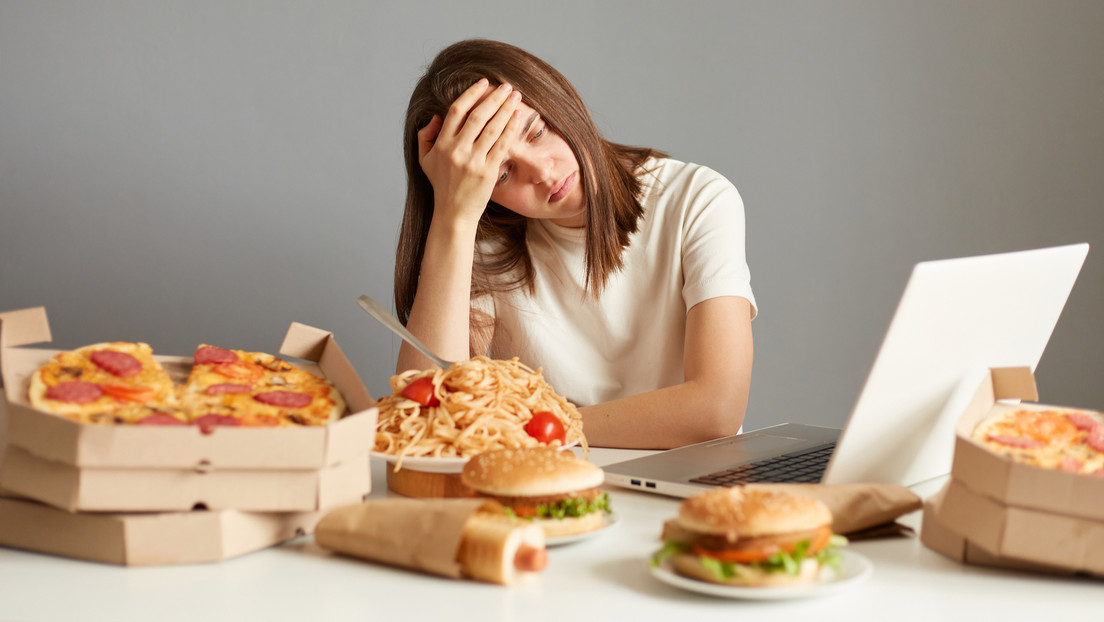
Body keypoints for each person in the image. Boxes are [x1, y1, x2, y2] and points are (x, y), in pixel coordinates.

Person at [394, 39, 756, 449]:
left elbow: (717, 409)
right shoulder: (480, 244)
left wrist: (534, 428)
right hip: (552, 479)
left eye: (536, 132)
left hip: (691, 482)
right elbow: (426, 415)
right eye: (501, 174)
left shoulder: (696, 197)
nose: (543, 172)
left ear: (558, 98)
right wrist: (451, 219)